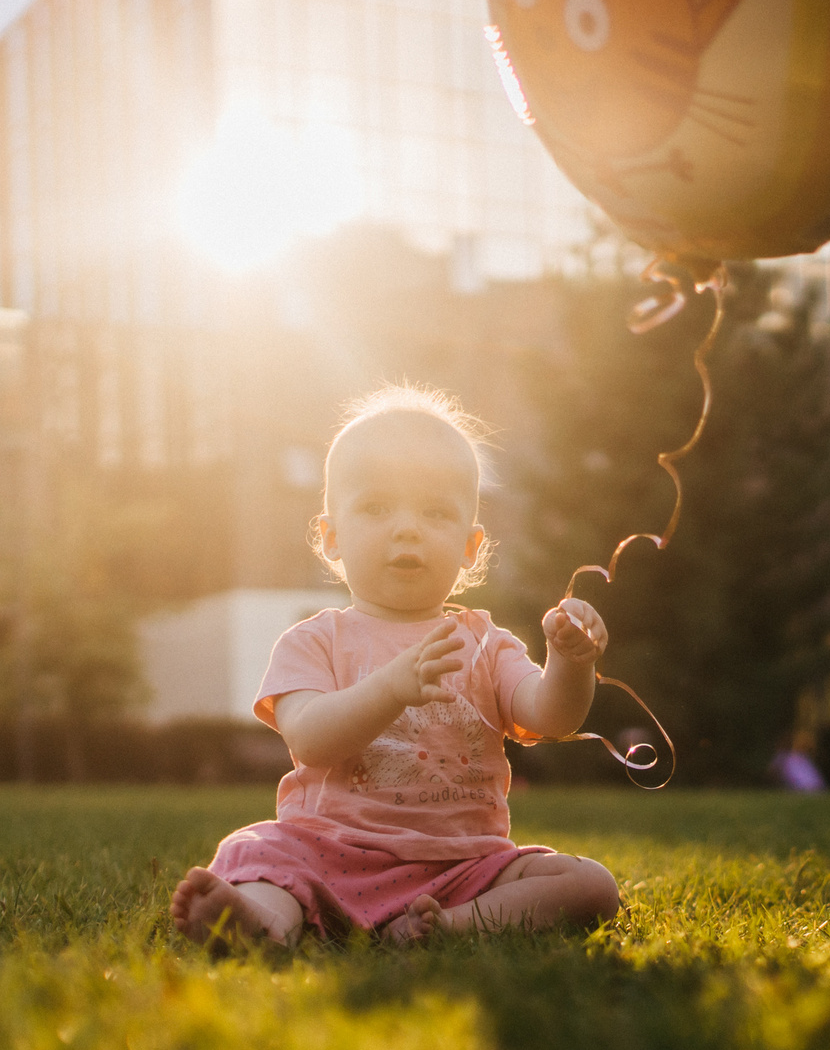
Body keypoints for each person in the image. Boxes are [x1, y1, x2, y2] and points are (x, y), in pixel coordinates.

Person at [170, 386, 622, 948]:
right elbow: (310, 739)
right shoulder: (314, 641)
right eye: (377, 508)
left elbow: (550, 716)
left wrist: (570, 663)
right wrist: (391, 687)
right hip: (330, 855)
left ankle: (448, 927)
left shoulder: (485, 643)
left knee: (591, 885)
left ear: (469, 547)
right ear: (332, 537)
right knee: (260, 856)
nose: (408, 528)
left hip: (464, 869)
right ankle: (265, 926)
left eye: (436, 512)